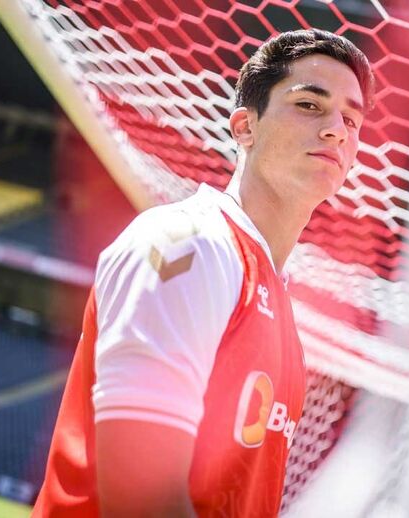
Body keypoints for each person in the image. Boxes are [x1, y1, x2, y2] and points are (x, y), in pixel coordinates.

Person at [32, 29, 374, 517]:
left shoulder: (276, 294)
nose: (336, 129)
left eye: (351, 119)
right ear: (245, 127)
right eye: (309, 105)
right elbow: (140, 502)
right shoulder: (187, 246)